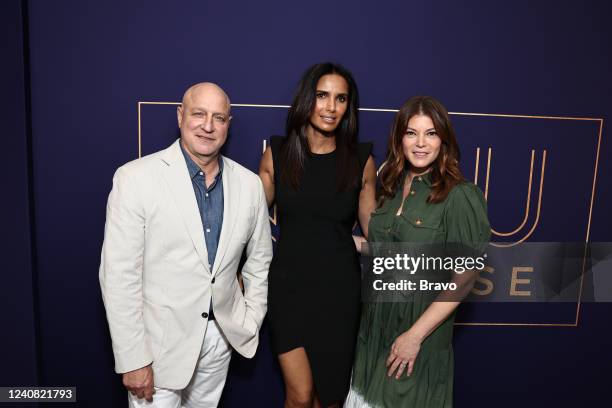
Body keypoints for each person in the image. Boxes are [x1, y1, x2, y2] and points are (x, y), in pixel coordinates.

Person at [99, 82, 272, 408]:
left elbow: (260, 260)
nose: (208, 126)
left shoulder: (249, 185)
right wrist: (133, 358)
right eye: (199, 114)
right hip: (157, 348)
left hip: (219, 342)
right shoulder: (135, 178)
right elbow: (119, 276)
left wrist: (250, 318)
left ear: (228, 125)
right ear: (181, 116)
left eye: (218, 118)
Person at [345, 96, 491, 408]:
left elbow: (464, 278)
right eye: (412, 133)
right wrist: (342, 240)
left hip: (416, 342)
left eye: (431, 133)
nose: (421, 143)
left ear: (444, 140)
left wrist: (414, 337)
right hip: (373, 336)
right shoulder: (391, 188)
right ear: (400, 139)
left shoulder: (459, 195)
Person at [259, 62, 377, 408]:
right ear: (307, 99)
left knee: (330, 399)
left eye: (341, 99)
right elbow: (247, 224)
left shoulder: (360, 160)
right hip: (288, 290)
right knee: (298, 396)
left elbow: (376, 233)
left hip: (339, 293)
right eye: (322, 96)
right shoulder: (278, 154)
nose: (330, 107)